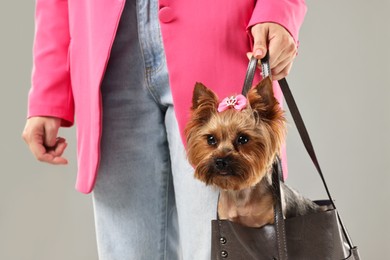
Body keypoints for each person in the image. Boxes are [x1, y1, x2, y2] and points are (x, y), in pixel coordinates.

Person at [22, 0, 307, 259]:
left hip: (222, 37)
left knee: (222, 248)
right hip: (105, 50)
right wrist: (49, 90)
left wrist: (279, 8)